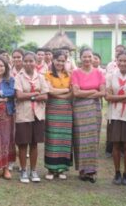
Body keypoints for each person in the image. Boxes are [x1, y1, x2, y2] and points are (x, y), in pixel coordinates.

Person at [72, 47, 105, 183]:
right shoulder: (75, 72)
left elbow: (103, 93)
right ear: (80, 58)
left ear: (93, 58)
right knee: (80, 139)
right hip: (80, 110)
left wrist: (85, 92)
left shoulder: (99, 72)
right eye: (84, 57)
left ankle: (92, 171)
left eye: (89, 56)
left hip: (94, 110)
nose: (87, 59)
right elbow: (76, 93)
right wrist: (93, 91)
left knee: (92, 139)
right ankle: (82, 170)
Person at [15, 51, 49, 183]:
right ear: (22, 62)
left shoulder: (40, 77)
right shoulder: (18, 77)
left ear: (36, 62)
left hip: (38, 115)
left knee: (34, 144)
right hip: (23, 115)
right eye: (26, 61)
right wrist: (35, 94)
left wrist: (29, 95)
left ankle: (33, 170)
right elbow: (19, 96)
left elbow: (45, 96)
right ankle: (23, 170)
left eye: (31, 61)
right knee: (23, 144)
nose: (28, 63)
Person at [105, 51, 126, 185]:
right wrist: (125, 97)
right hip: (115, 115)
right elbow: (107, 97)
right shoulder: (111, 76)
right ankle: (117, 173)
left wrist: (116, 97)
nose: (123, 63)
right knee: (116, 144)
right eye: (120, 60)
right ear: (116, 61)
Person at [44, 51, 73, 180]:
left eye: (63, 61)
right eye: (58, 60)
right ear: (53, 60)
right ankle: (51, 169)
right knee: (52, 138)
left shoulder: (69, 75)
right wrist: (66, 91)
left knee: (64, 139)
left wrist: (63, 93)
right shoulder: (48, 74)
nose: (60, 63)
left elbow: (73, 92)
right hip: (52, 109)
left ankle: (62, 169)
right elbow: (49, 91)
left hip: (66, 111)